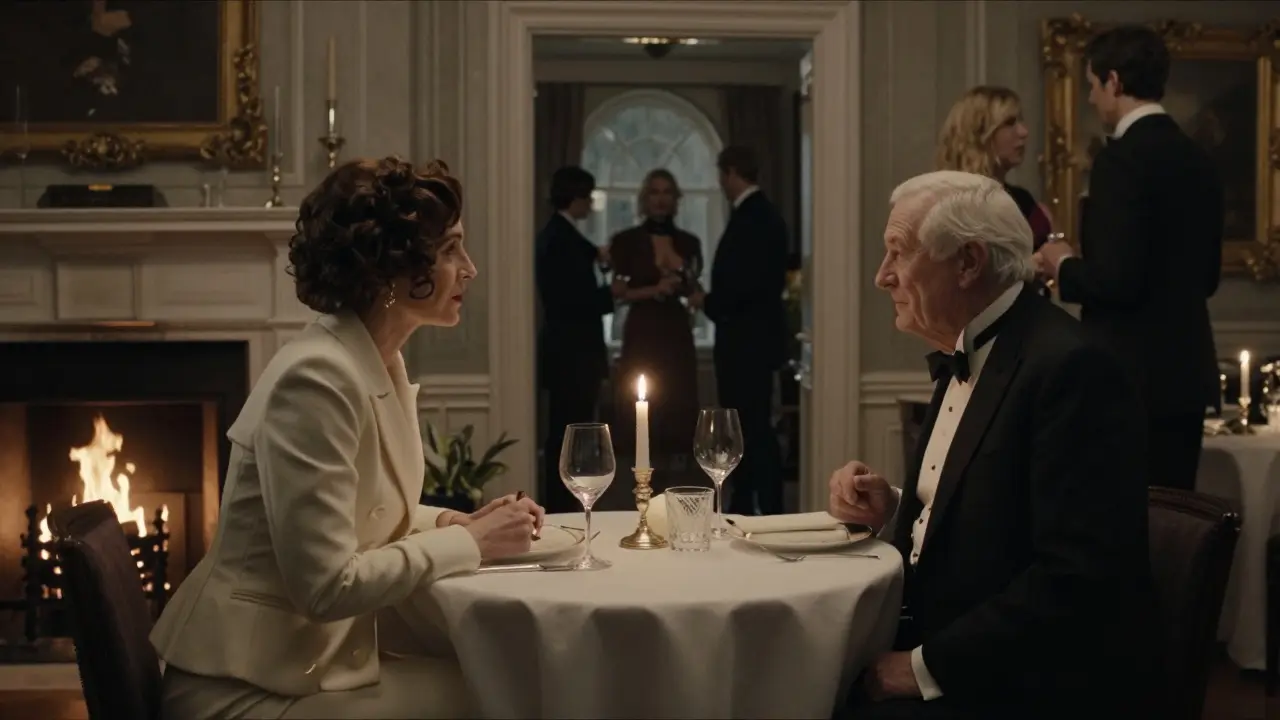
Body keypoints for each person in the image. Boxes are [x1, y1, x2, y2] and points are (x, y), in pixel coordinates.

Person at [151, 157, 546, 720]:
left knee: (506, 680)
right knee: (511, 695)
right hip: (247, 689)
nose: (470, 269)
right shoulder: (316, 377)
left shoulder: (374, 361)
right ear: (394, 267)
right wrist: (473, 544)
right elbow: (326, 585)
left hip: (303, 668)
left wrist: (453, 522)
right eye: (451, 248)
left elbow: (360, 512)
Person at [835, 170, 1153, 719]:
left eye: (897, 253)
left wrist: (919, 669)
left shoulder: (1071, 368)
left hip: (1017, 687)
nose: (881, 277)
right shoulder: (976, 349)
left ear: (968, 263)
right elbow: (1000, 508)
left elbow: (1076, 578)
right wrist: (895, 506)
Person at [1034, 24, 1224, 491]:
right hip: (1185, 376)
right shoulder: (1198, 158)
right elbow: (1207, 278)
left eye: (1094, 87)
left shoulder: (1120, 161)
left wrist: (1061, 263)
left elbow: (1116, 281)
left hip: (1129, 379)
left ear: (1115, 82)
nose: (1093, 100)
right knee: (1177, 526)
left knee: (1127, 531)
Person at [689, 146, 788, 515]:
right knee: (750, 429)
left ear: (730, 172)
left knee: (752, 432)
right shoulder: (763, 216)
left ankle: (760, 506)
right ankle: (748, 501)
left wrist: (708, 302)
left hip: (747, 346)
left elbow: (745, 286)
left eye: (721, 174)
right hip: (752, 343)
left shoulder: (753, 217)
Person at [608, 169, 702, 486]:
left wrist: (680, 267)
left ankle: (679, 480)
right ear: (644, 199)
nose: (660, 199)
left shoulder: (689, 242)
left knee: (679, 398)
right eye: (654, 192)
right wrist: (654, 289)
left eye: (666, 192)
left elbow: (695, 291)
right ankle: (642, 479)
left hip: (675, 330)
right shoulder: (626, 241)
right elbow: (617, 293)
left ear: (675, 199)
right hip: (642, 329)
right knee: (644, 397)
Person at [535, 166, 615, 513]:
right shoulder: (561, 240)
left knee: (567, 432)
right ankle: (565, 506)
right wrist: (613, 292)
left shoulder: (560, 235)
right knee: (570, 433)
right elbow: (573, 302)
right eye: (588, 197)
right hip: (573, 355)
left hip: (568, 353)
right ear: (577, 196)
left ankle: (567, 503)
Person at [936, 85, 1053, 254]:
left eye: (1021, 121)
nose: (1024, 132)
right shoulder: (950, 203)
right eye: (1009, 123)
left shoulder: (1022, 200)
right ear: (980, 133)